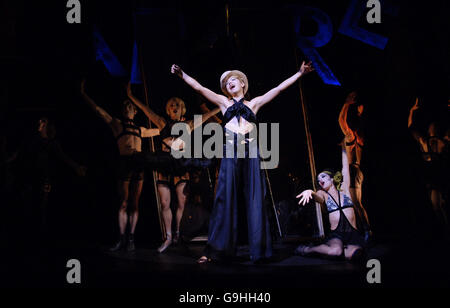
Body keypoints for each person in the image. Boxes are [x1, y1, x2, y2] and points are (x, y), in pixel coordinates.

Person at [170, 61, 314, 263]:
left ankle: (260, 250)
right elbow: (199, 87)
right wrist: (182, 74)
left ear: (243, 84)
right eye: (227, 81)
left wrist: (299, 73)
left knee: (256, 196)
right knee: (224, 196)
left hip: (251, 149)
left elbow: (279, 88)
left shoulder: (254, 103)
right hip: (230, 149)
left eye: (233, 79)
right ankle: (216, 251)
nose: (229, 83)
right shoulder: (223, 102)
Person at [127, 83, 220, 253]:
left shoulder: (189, 124)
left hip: (181, 163)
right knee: (164, 202)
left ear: (182, 109)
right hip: (163, 162)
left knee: (181, 201)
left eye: (177, 105)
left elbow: (207, 116)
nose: (174, 107)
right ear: (168, 110)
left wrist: (220, 106)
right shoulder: (162, 122)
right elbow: (146, 109)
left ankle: (177, 234)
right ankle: (168, 237)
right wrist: (132, 96)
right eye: (171, 105)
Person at [81, 80, 160, 252]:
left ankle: (131, 237)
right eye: (125, 107)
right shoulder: (117, 124)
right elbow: (98, 110)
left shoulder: (141, 130)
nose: (127, 109)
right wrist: (84, 94)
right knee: (123, 202)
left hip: (138, 163)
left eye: (130, 107)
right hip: (124, 163)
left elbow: (161, 128)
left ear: (135, 111)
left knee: (135, 203)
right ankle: (121, 237)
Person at [12, 117, 86, 236]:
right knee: (30, 202)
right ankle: (29, 230)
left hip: (44, 177)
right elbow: (20, 154)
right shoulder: (32, 141)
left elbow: (63, 157)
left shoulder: (51, 143)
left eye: (43, 123)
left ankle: (41, 232)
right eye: (40, 122)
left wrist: (76, 167)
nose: (40, 125)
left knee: (42, 205)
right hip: (31, 177)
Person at [295, 145, 365, 262]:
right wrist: (310, 192)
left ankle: (342, 249)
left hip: (352, 234)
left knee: (356, 255)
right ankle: (307, 250)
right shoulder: (323, 194)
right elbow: (316, 197)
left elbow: (345, 169)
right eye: (318, 180)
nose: (319, 180)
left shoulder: (344, 189)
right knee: (336, 251)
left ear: (332, 179)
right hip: (336, 234)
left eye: (323, 177)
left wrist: (344, 148)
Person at [408, 98, 448, 227]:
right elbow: (411, 128)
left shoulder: (438, 141)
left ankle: (444, 227)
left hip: (437, 174)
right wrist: (411, 111)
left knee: (438, 204)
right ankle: (443, 227)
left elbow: (411, 127)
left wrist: (411, 112)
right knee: (437, 204)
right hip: (433, 175)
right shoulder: (427, 141)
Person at [338, 91, 371, 241]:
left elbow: (341, 121)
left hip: (353, 171)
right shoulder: (360, 137)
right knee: (351, 204)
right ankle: (359, 231)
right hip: (355, 171)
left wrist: (346, 104)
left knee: (355, 203)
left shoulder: (351, 136)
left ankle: (367, 231)